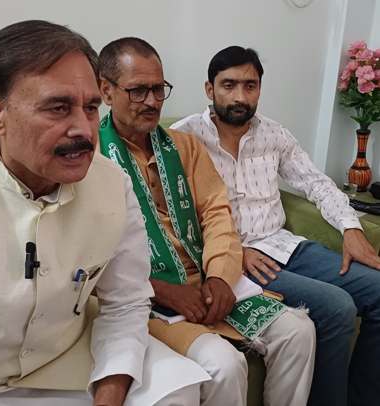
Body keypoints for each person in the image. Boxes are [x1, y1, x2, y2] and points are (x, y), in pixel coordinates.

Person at [0, 20, 211, 406]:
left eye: (91, 108)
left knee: (180, 388)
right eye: (58, 108)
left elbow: (126, 303)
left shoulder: (111, 185)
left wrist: (110, 393)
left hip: (71, 362)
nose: (84, 130)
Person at [98, 37, 315, 406]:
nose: (152, 101)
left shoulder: (184, 146)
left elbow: (217, 215)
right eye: (138, 91)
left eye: (158, 89)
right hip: (144, 296)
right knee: (225, 365)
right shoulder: (91, 157)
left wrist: (219, 277)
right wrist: (161, 290)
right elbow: (88, 255)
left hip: (205, 281)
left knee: (298, 331)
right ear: (106, 91)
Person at [171, 45, 380, 406]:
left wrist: (351, 228)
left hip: (284, 245)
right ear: (209, 89)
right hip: (238, 262)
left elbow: (315, 183)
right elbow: (173, 216)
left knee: (377, 289)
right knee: (337, 306)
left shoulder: (274, 135)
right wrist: (232, 250)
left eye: (250, 86)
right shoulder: (183, 138)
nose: (240, 96)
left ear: (259, 89)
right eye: (229, 85)